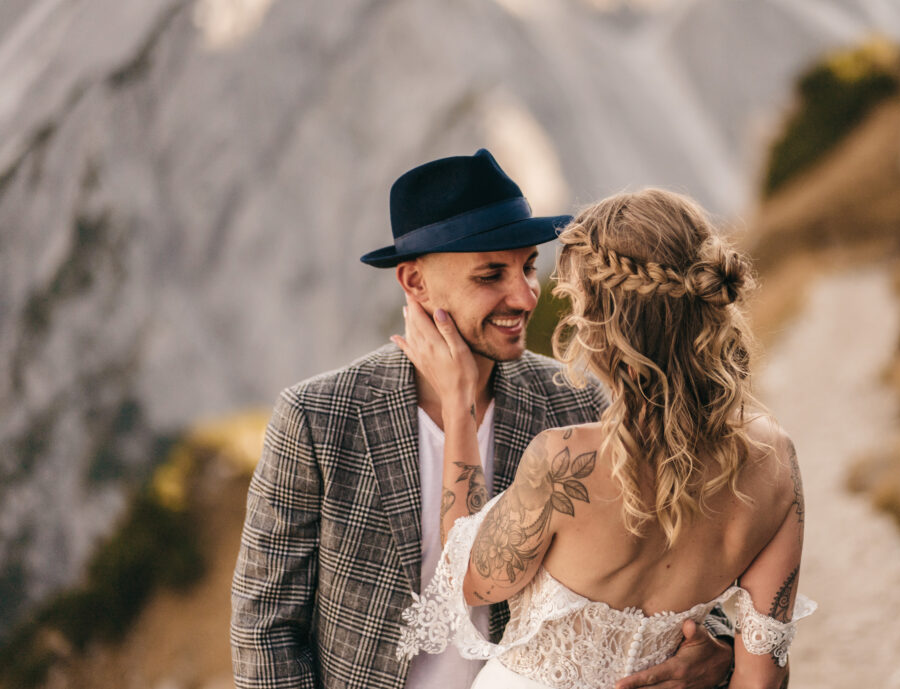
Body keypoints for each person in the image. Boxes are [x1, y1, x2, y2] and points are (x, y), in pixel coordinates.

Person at [230, 150, 735, 689]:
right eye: (491, 274)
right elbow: (265, 627)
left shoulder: (581, 404)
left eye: (527, 266)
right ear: (415, 282)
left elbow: (680, 556)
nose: (523, 296)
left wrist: (720, 648)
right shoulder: (318, 419)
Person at [394, 187, 815, 689]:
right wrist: (723, 655)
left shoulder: (565, 459)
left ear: (603, 325)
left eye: (574, 301)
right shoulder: (776, 460)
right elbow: (764, 678)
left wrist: (459, 405)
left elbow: (471, 580)